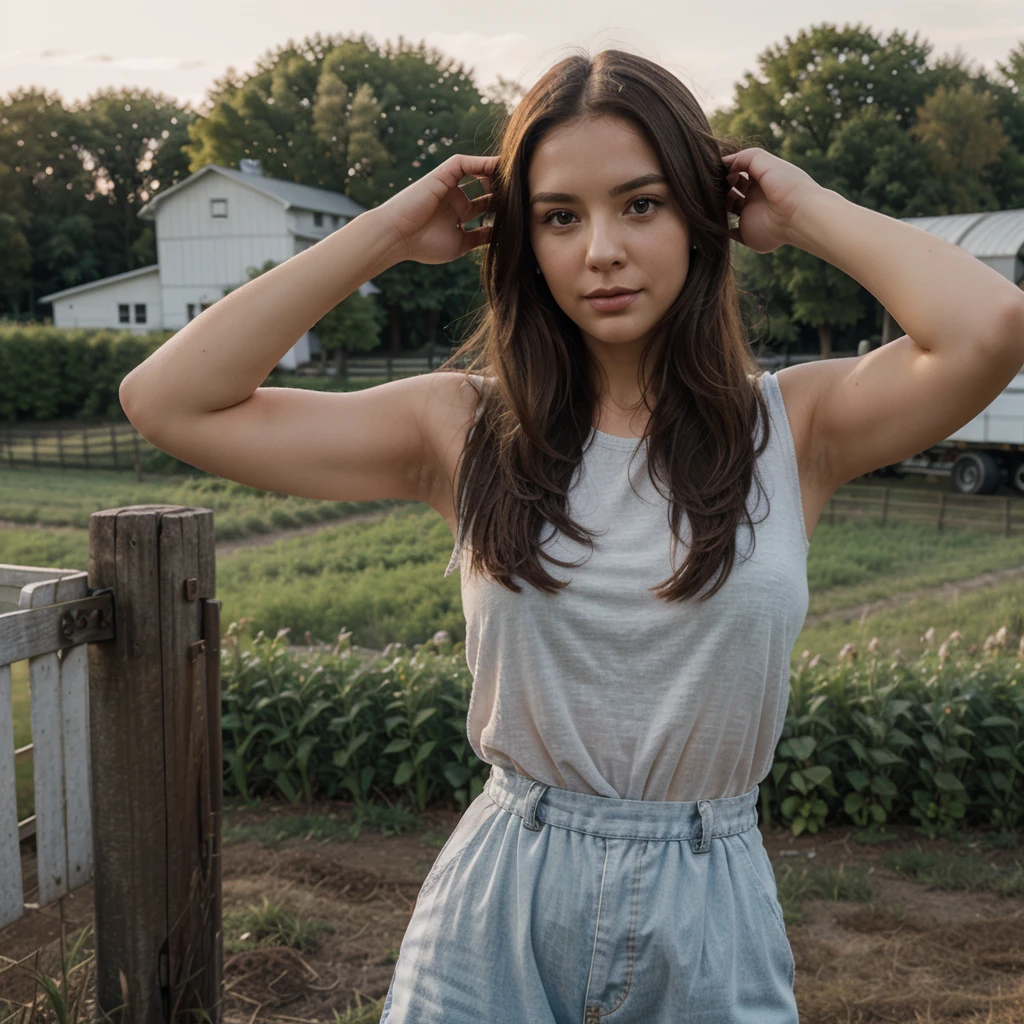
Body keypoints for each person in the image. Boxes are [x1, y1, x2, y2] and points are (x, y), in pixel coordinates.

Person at [119, 46, 1024, 1024]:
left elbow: (987, 325)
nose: (600, 248)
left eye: (640, 203)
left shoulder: (794, 427)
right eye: (559, 215)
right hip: (501, 900)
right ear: (523, 239)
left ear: (698, 213)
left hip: (708, 901)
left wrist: (799, 208)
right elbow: (168, 400)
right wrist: (381, 233)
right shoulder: (461, 428)